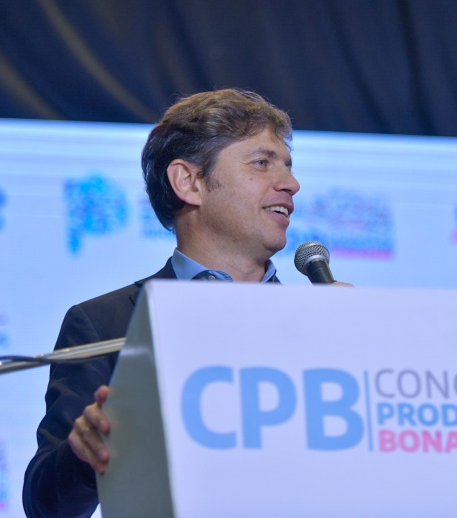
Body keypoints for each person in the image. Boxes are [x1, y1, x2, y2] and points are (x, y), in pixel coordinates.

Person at [23, 88, 341, 517]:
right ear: (189, 182)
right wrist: (83, 454)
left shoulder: (320, 322)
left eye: (288, 166)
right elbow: (46, 506)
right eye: (262, 163)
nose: (291, 184)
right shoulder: (106, 322)